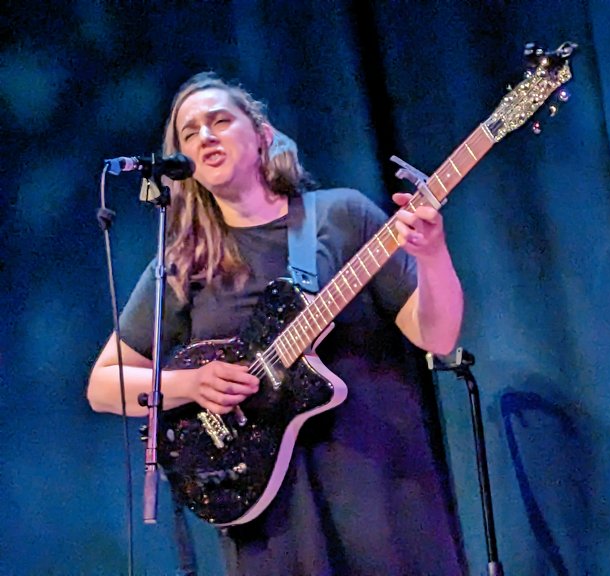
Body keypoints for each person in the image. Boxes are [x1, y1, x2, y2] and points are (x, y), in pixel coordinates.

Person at [87, 72, 467, 575]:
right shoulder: (183, 264)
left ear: (262, 135)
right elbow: (103, 386)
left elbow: (437, 336)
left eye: (220, 121)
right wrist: (191, 384)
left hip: (378, 486)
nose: (205, 136)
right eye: (189, 133)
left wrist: (433, 255)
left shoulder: (341, 215)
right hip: (268, 518)